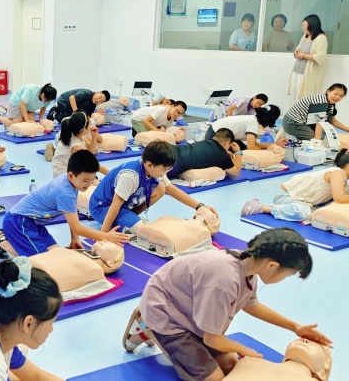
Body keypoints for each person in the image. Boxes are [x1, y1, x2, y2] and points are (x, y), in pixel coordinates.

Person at [126, 228, 331, 381]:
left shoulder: (249, 265)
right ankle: (149, 326)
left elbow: (251, 305)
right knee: (214, 378)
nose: (284, 279)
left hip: (187, 307)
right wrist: (244, 349)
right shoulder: (224, 280)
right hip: (165, 311)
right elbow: (213, 339)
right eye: (287, 275)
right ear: (272, 265)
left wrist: (295, 327)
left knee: (231, 365)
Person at [0, 150, 129, 259]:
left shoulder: (72, 183)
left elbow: (72, 213)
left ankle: (10, 240)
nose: (89, 184)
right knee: (44, 261)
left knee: (57, 255)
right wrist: (106, 236)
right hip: (19, 221)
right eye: (85, 180)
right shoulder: (65, 192)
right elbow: (77, 227)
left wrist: (74, 239)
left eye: (92, 179)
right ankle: (1, 242)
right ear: (71, 176)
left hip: (34, 223)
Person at [89, 141, 219, 235]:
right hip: (103, 207)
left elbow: (172, 190)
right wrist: (103, 235)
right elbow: (115, 205)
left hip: (123, 206)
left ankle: (130, 217)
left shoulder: (153, 169)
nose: (166, 172)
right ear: (150, 165)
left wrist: (200, 206)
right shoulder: (131, 176)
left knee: (161, 188)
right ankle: (129, 220)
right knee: (140, 230)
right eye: (164, 169)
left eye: (168, 169)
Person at [241, 149, 349, 222]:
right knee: (304, 214)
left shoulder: (344, 180)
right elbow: (339, 198)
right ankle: (260, 207)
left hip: (302, 201)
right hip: (286, 195)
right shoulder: (337, 173)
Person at [223, 338, 332, 381]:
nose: (304, 340)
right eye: (298, 339)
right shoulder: (249, 361)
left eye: (314, 344)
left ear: (322, 373)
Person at [48, 111, 109, 177]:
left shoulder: (79, 134)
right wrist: (112, 174)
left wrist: (94, 137)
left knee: (92, 177)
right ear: (83, 130)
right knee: (93, 179)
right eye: (90, 124)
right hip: (63, 176)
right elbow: (93, 164)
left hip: (71, 169)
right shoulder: (76, 146)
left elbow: (91, 152)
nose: (91, 126)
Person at [281, 83, 349, 141]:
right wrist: (317, 142)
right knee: (314, 137)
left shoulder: (329, 103)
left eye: (341, 96)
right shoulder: (320, 101)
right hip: (292, 123)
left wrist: (347, 129)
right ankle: (292, 138)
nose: (337, 97)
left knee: (325, 133)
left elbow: (332, 120)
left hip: (303, 122)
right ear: (328, 91)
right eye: (335, 94)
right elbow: (319, 122)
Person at [167, 128, 241, 179]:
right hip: (173, 164)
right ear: (227, 143)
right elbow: (236, 172)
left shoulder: (206, 142)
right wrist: (238, 152)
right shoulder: (222, 156)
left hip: (169, 149)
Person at [209, 105, 287, 151]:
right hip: (216, 135)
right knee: (242, 153)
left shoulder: (253, 119)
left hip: (220, 132)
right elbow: (251, 147)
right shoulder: (252, 122)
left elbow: (255, 144)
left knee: (243, 149)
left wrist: (275, 144)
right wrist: (269, 151)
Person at [290, 14, 328, 101]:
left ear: (312, 25)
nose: (302, 28)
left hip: (307, 74)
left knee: (303, 98)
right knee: (293, 96)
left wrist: (303, 55)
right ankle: (292, 111)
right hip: (297, 70)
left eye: (304, 25)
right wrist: (296, 53)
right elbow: (298, 49)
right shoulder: (304, 36)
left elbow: (320, 57)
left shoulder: (321, 38)